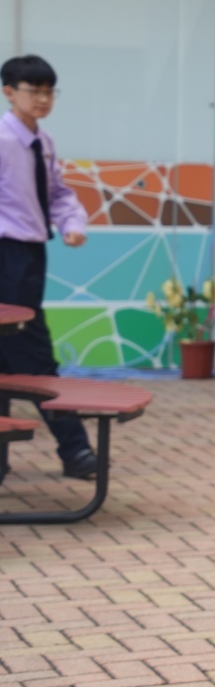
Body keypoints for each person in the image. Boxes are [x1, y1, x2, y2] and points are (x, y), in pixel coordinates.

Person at [0, 55, 94, 484]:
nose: (42, 99)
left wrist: (72, 223)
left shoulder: (44, 141)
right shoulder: (3, 140)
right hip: (7, 253)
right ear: (9, 92)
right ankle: (75, 450)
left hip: (30, 255)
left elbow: (57, 193)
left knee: (12, 353)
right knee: (33, 352)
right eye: (33, 90)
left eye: (48, 91)